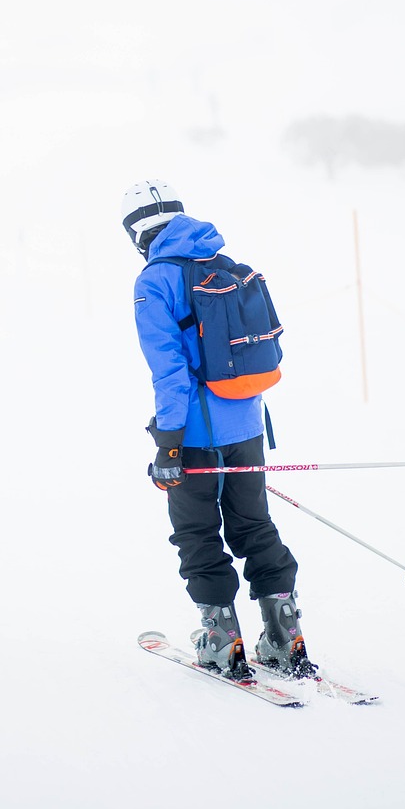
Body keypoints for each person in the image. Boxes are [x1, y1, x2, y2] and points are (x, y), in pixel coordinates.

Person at [122, 179, 314, 679]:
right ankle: (284, 634)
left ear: (137, 232)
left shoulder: (154, 281)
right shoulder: (225, 265)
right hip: (247, 423)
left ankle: (221, 639)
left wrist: (168, 444)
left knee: (197, 532)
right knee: (253, 525)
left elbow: (169, 372)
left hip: (194, 436)